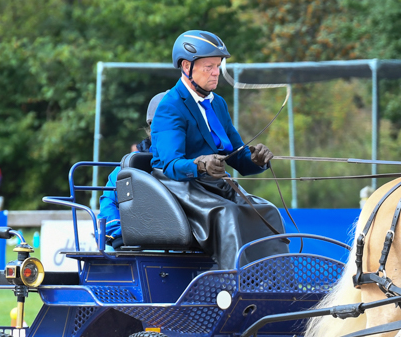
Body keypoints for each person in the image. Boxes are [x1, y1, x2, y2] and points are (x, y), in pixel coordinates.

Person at [150, 30, 286, 268]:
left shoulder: (218, 104)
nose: (216, 73)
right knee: (228, 215)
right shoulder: (170, 107)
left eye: (218, 66)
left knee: (268, 211)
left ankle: (278, 283)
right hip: (182, 189)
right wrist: (200, 163)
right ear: (186, 66)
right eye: (209, 67)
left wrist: (257, 159)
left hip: (215, 187)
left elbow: (238, 156)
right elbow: (171, 165)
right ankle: (234, 284)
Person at [98, 92, 167, 250]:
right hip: (132, 242)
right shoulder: (130, 164)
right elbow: (109, 201)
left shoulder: (195, 163)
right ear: (153, 128)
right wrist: (120, 235)